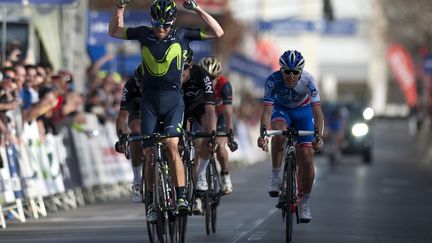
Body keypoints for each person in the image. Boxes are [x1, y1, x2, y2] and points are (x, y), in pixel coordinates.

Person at [108, 0, 224, 220]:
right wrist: (120, 8)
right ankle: (151, 202)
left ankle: (181, 196)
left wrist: (198, 9)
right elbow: (114, 31)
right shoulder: (143, 34)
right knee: (150, 153)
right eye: (157, 24)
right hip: (149, 101)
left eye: (166, 25)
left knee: (171, 144)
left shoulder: (182, 35)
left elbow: (217, 32)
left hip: (173, 100)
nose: (161, 29)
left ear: (173, 22)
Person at [257, 50, 324, 223]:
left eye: (295, 72)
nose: (291, 76)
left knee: (307, 158)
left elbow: (318, 113)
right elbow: (266, 111)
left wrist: (318, 137)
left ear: (301, 72)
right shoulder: (272, 80)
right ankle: (276, 175)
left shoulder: (309, 81)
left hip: (304, 113)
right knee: (279, 132)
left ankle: (305, 203)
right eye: (287, 71)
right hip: (282, 110)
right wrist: (263, 134)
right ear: (281, 70)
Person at [180, 48, 217, 214]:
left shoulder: (202, 74)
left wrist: (212, 134)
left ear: (191, 65)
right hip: (181, 109)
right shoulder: (171, 74)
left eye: (185, 67)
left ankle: (201, 174)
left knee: (205, 138)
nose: (182, 72)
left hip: (200, 108)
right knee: (178, 144)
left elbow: (210, 109)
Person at [198, 57, 237, 195]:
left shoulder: (225, 85)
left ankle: (225, 175)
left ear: (218, 77)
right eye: (207, 78)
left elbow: (228, 111)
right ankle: (197, 188)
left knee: (220, 145)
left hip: (220, 117)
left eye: (213, 78)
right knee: (198, 146)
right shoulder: (197, 84)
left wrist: (230, 133)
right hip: (204, 116)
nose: (210, 81)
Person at [115, 65, 145, 203]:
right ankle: (137, 181)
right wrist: (122, 138)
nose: (141, 87)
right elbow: (122, 117)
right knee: (136, 133)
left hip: (157, 106)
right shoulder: (130, 85)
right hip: (137, 108)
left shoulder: (159, 83)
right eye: (139, 83)